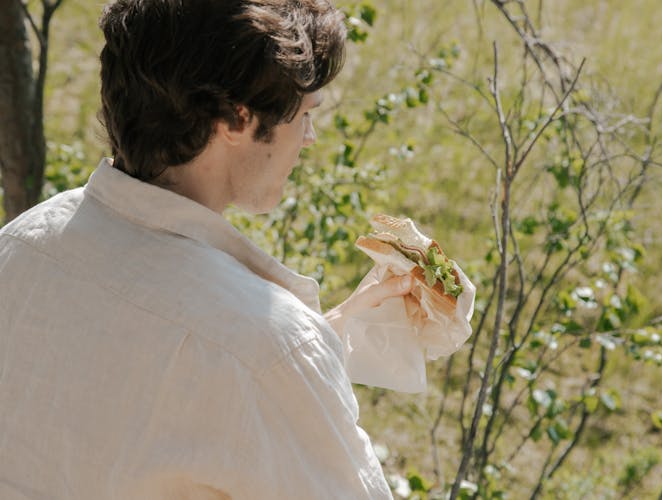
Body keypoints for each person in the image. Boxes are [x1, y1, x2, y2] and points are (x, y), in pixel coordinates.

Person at [0, 0, 414, 498]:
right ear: (237, 119)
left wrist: (325, 340)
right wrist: (299, 357)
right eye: (304, 114)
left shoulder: (22, 244)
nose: (309, 138)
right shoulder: (267, 351)